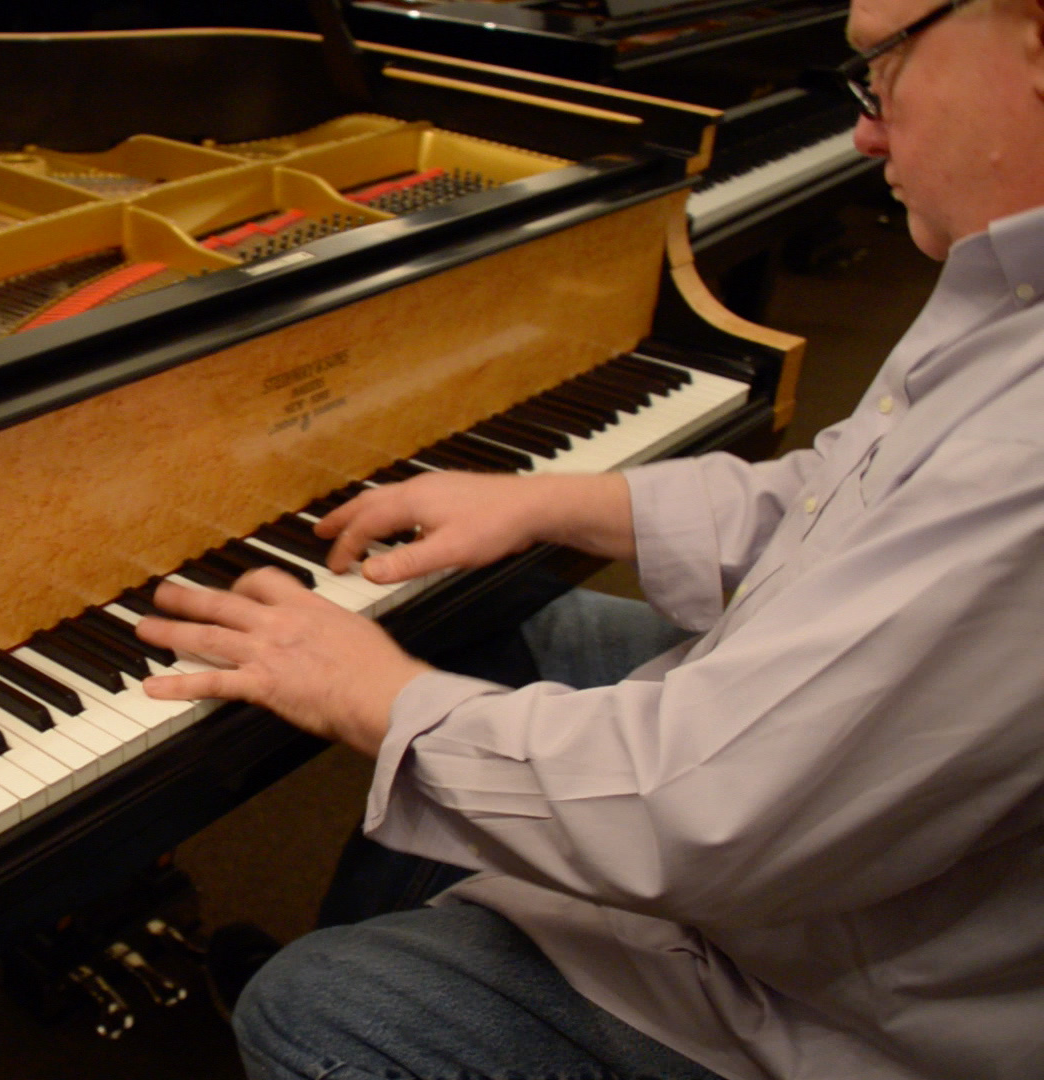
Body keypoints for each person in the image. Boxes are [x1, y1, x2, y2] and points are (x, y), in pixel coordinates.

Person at [135, 0, 1044, 1075]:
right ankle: (415, 938)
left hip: (836, 1007)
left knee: (318, 1007)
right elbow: (838, 498)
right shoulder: (1011, 291)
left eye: (882, 67)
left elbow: (699, 813)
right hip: (835, 845)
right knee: (515, 622)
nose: (865, 131)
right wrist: (557, 501)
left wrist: (372, 694)